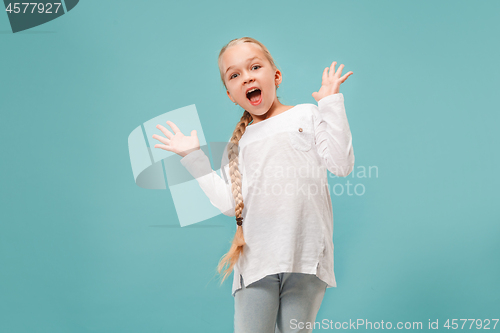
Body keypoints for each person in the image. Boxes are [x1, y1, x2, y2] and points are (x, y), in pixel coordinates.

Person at [152, 37, 354, 333]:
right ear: (231, 95)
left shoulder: (306, 114)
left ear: (276, 76)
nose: (246, 77)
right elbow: (227, 204)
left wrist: (329, 103)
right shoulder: (239, 145)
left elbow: (341, 164)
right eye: (234, 75)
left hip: (308, 259)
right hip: (258, 261)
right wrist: (193, 157)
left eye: (254, 67)